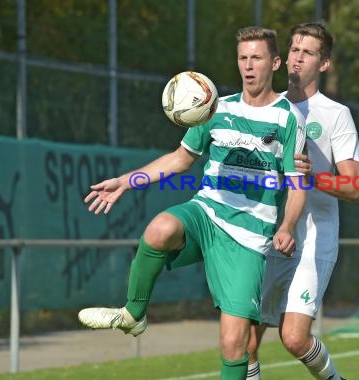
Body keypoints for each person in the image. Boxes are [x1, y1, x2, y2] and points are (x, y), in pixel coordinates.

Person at [77, 26, 307, 380]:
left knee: (235, 344)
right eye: (243, 58)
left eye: (256, 58)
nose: (248, 65)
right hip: (206, 213)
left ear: (275, 63)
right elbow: (179, 160)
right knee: (159, 229)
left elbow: (296, 185)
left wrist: (288, 226)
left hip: (249, 235)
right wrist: (126, 181)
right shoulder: (215, 108)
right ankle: (133, 314)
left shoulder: (289, 118)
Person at [246, 22, 359, 380]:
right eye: (294, 50)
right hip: (266, 236)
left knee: (294, 339)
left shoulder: (335, 114)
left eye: (307, 52)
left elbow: (354, 187)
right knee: (243, 342)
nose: (298, 58)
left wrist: (311, 178)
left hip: (313, 238)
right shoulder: (268, 108)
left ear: (323, 64)